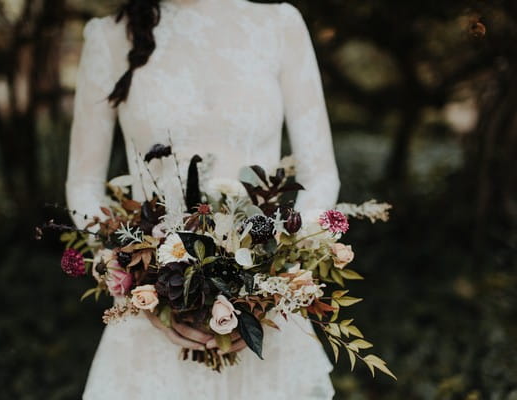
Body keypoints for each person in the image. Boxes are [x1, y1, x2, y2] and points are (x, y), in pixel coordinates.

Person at [65, 0, 340, 398]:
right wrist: (137, 283)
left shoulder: (279, 25)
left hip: (269, 321)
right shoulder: (109, 37)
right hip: (153, 326)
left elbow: (320, 174)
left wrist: (275, 282)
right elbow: (84, 185)